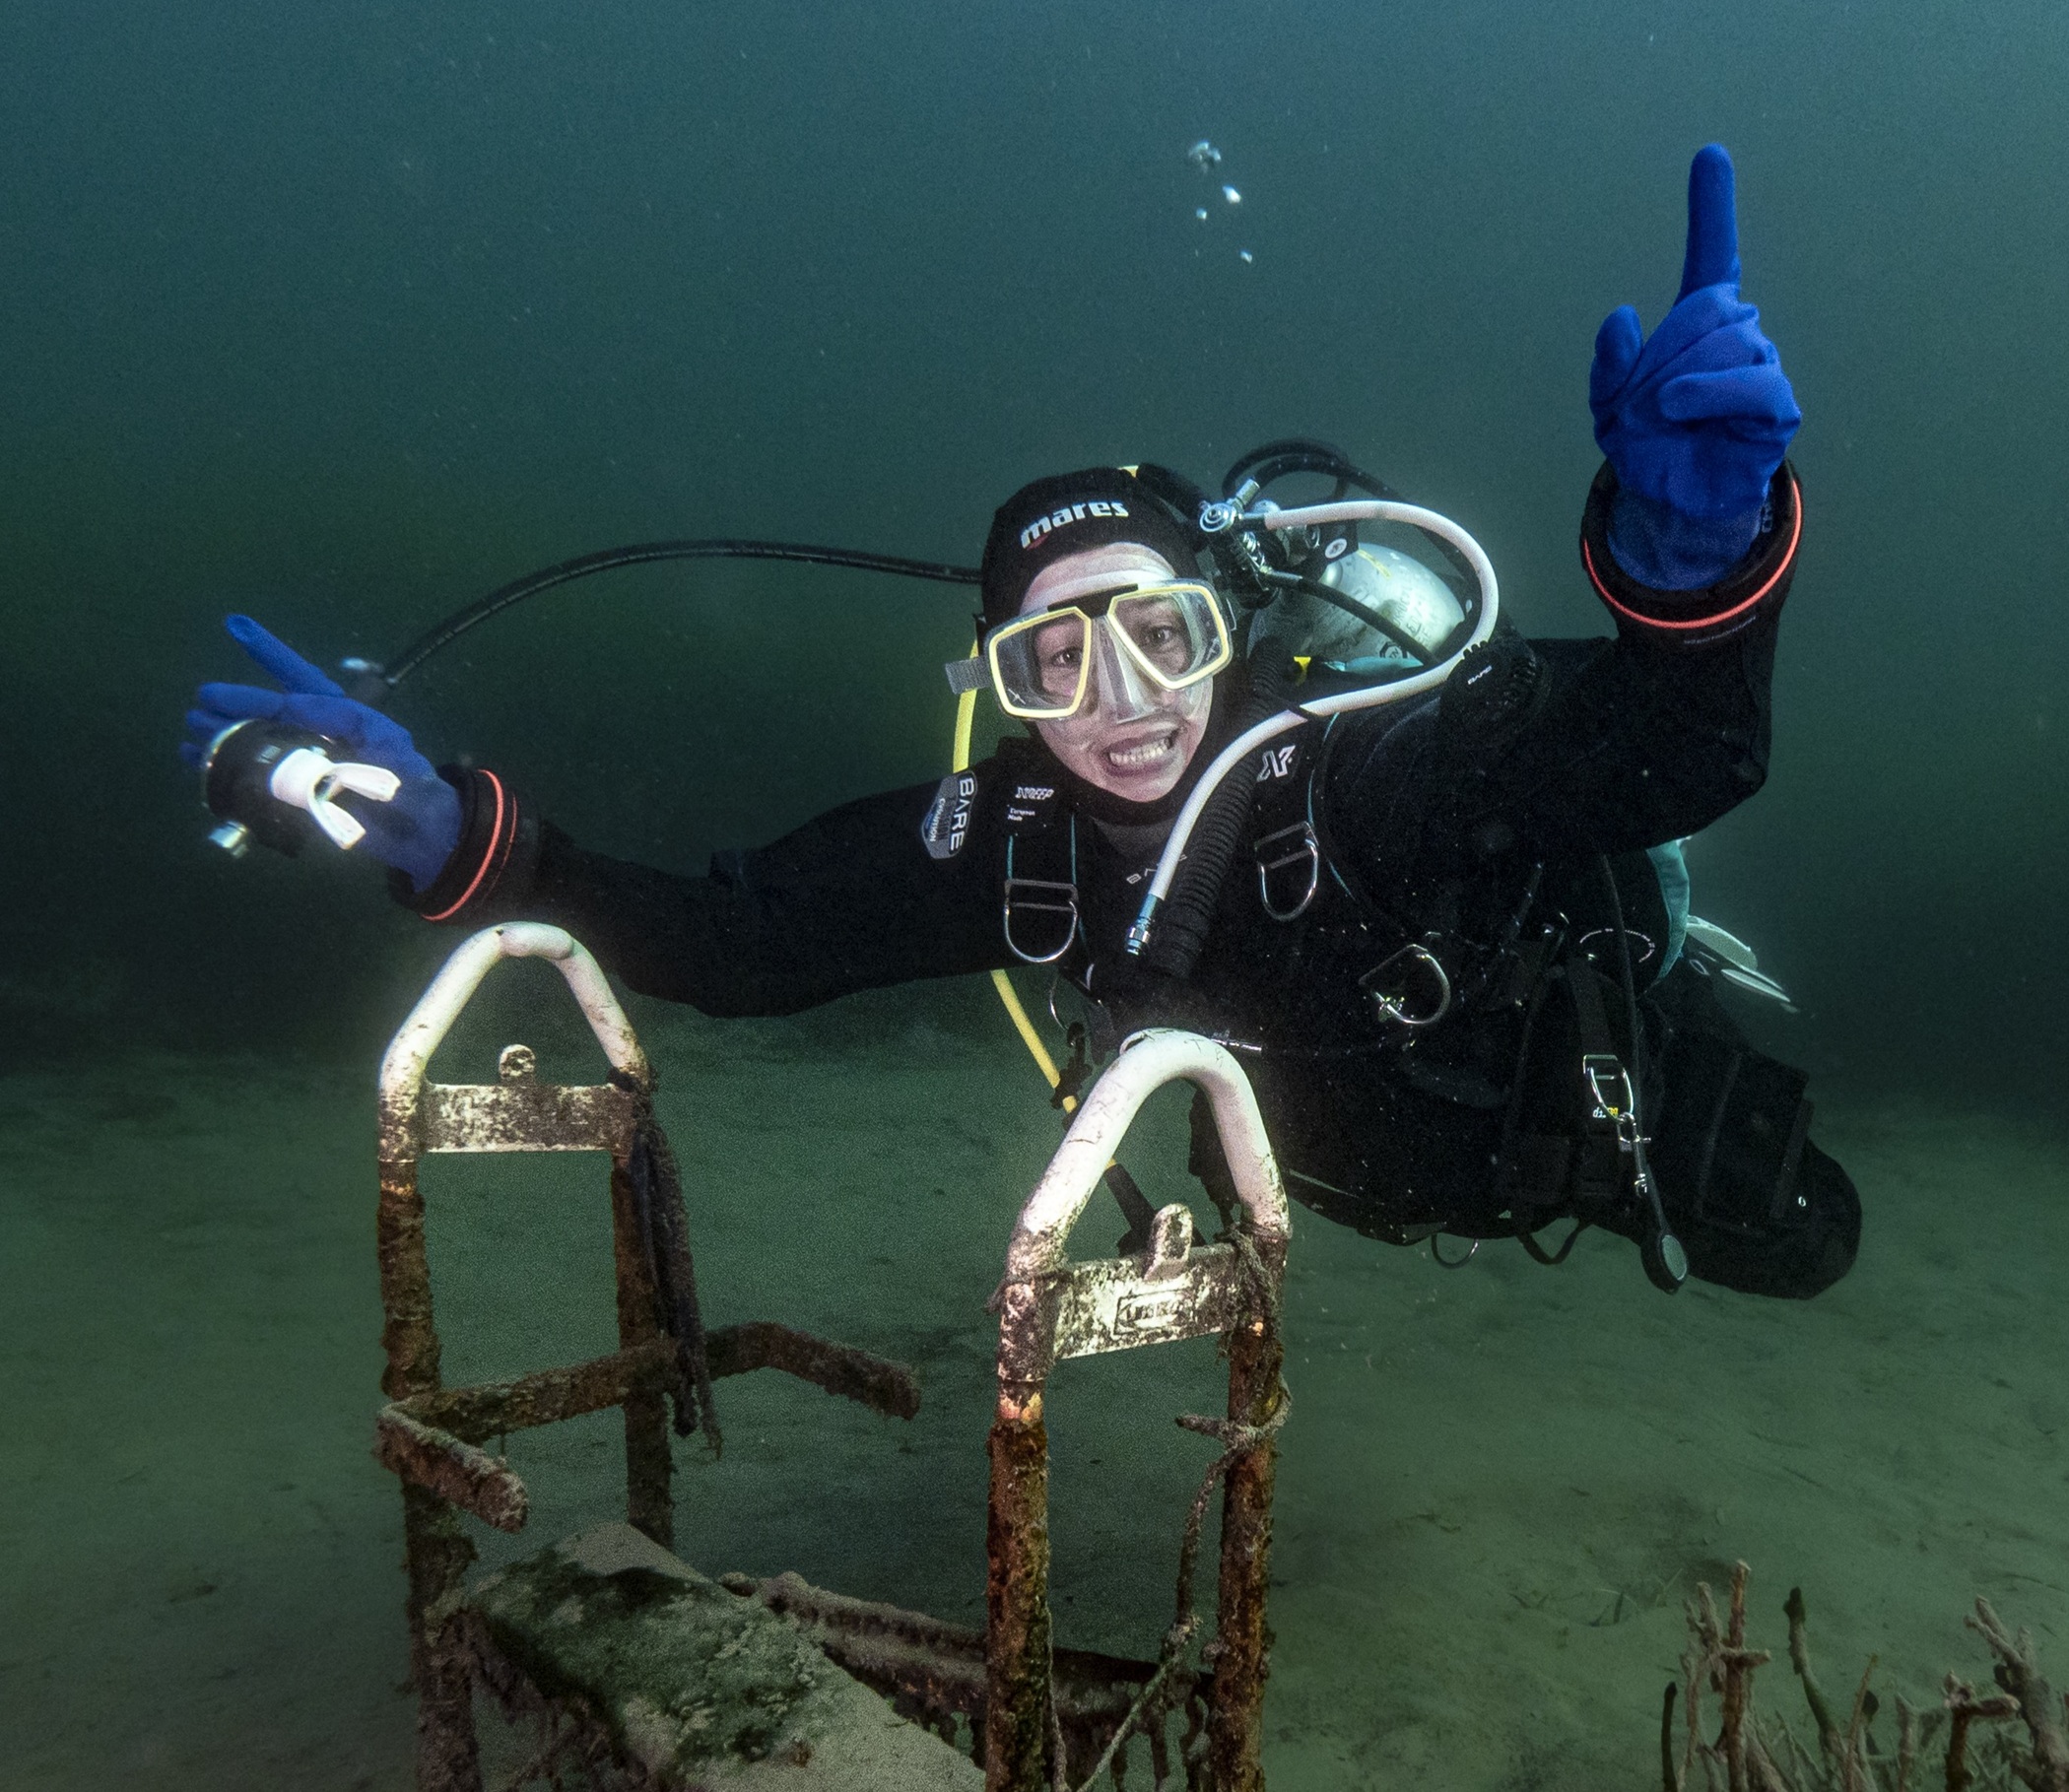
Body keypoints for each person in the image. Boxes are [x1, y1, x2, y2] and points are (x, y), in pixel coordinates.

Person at [184, 145, 1858, 1299]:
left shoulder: (1364, 769)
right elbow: (732, 941)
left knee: (1807, 1239)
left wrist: (1689, 571)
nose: (1121, 704)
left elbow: (1673, 757)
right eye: (1055, 661)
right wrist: (464, 844)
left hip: (1561, 1121)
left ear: (1230, 635)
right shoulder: (1010, 851)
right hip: (1342, 1187)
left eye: (1161, 634)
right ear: (996, 684)